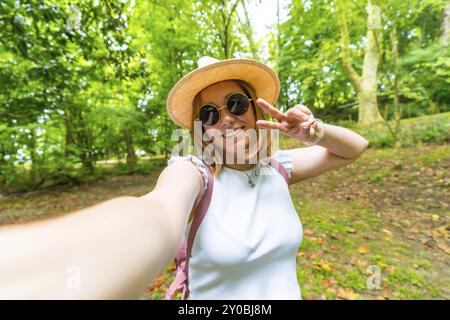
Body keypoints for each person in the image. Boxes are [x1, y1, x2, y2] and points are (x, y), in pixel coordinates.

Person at [0, 56, 368, 299]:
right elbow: (155, 215)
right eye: (209, 114)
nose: (225, 118)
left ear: (256, 112)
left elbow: (354, 147)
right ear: (202, 130)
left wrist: (312, 131)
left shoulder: (279, 168)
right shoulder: (194, 173)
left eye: (237, 105)